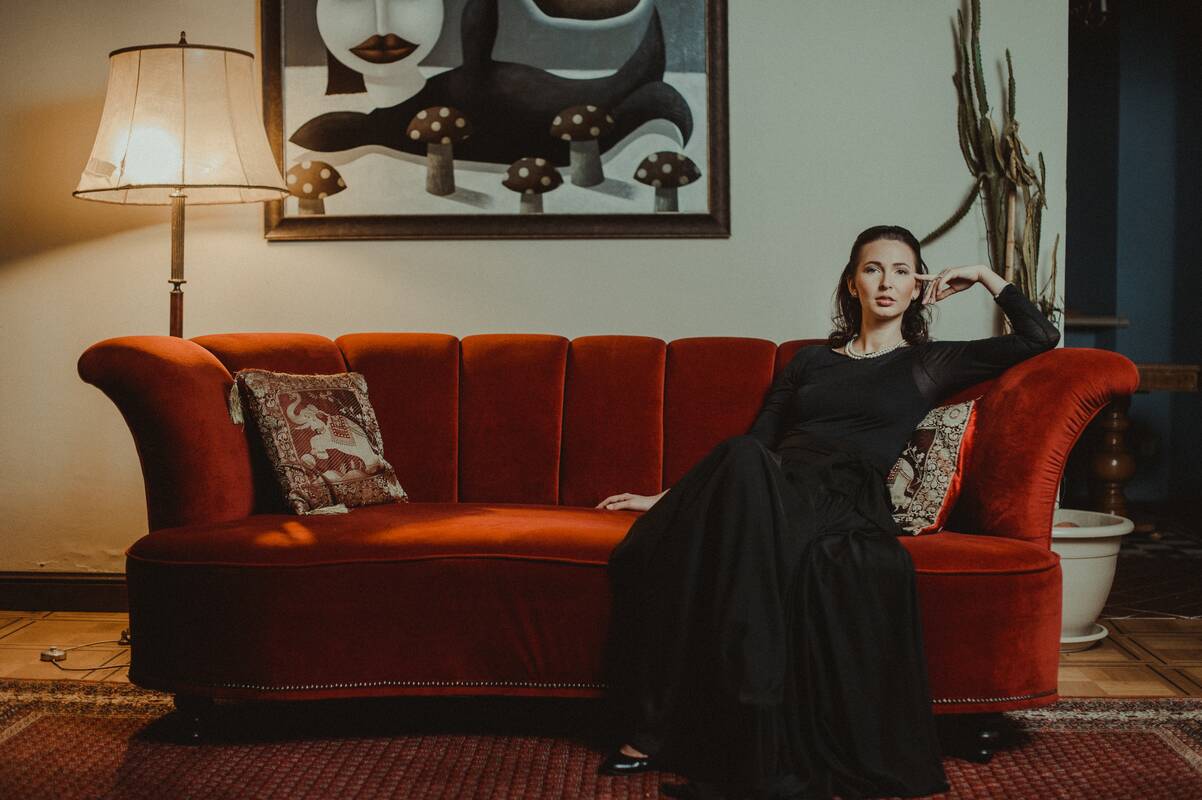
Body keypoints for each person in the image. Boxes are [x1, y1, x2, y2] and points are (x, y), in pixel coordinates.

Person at [594, 225, 1060, 800]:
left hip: (843, 496)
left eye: (901, 270)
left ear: (918, 287)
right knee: (735, 463)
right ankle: (710, 723)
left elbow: (1040, 337)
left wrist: (984, 275)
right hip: (774, 487)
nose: (886, 281)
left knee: (731, 511)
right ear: (852, 282)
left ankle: (675, 732)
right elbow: (759, 440)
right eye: (872, 268)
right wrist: (669, 497)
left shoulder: (930, 362)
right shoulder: (809, 362)